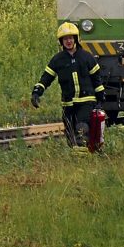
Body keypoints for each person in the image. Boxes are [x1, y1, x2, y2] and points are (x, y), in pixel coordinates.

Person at [31, 22, 105, 153]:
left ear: (76, 39)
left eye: (71, 38)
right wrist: (37, 92)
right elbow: (46, 78)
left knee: (82, 130)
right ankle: (80, 159)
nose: (69, 41)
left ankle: (82, 161)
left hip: (86, 102)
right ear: (61, 41)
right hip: (68, 104)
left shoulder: (87, 57)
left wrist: (100, 99)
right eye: (65, 39)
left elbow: (97, 79)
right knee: (70, 136)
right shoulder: (57, 60)